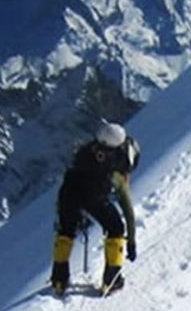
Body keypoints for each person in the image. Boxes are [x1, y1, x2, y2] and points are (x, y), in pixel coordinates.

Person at [50, 122, 140, 296]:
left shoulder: (88, 152)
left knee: (65, 231)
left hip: (68, 191)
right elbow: (127, 209)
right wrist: (131, 242)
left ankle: (59, 279)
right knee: (115, 228)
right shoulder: (115, 168)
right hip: (92, 195)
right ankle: (112, 279)